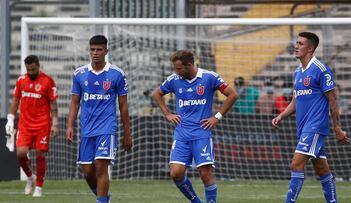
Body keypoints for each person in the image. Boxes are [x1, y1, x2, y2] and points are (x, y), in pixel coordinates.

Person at [272, 32, 350, 203]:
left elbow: (332, 100)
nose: (296, 46)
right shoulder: (297, 72)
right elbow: (295, 100)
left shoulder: (321, 69)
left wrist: (337, 128)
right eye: (296, 42)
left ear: (310, 48)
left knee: (296, 164)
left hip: (316, 126)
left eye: (300, 43)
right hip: (303, 127)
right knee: (322, 168)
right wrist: (282, 115)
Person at [152, 50, 238, 203]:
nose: (176, 72)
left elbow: (232, 95)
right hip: (181, 134)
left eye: (179, 68)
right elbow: (156, 94)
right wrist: (167, 114)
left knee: (205, 174)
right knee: (175, 173)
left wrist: (217, 117)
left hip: (202, 133)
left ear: (190, 65)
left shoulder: (209, 77)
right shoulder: (174, 80)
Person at [66, 35, 132, 203]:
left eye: (99, 50)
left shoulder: (117, 74)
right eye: (92, 49)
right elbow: (75, 102)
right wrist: (70, 126)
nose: (95, 53)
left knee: (101, 167)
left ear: (106, 51)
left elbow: (123, 105)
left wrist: (127, 133)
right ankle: (104, 198)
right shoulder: (79, 74)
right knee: (88, 171)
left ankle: (101, 201)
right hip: (87, 129)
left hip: (106, 128)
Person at [5, 55, 58, 197]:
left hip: (42, 125)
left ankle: (39, 188)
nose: (31, 72)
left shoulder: (48, 81)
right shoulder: (21, 80)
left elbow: (53, 104)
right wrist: (10, 119)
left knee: (40, 154)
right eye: (28, 70)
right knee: (21, 153)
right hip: (25, 125)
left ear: (38, 66)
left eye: (33, 69)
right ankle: (30, 177)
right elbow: (16, 100)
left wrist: (55, 123)